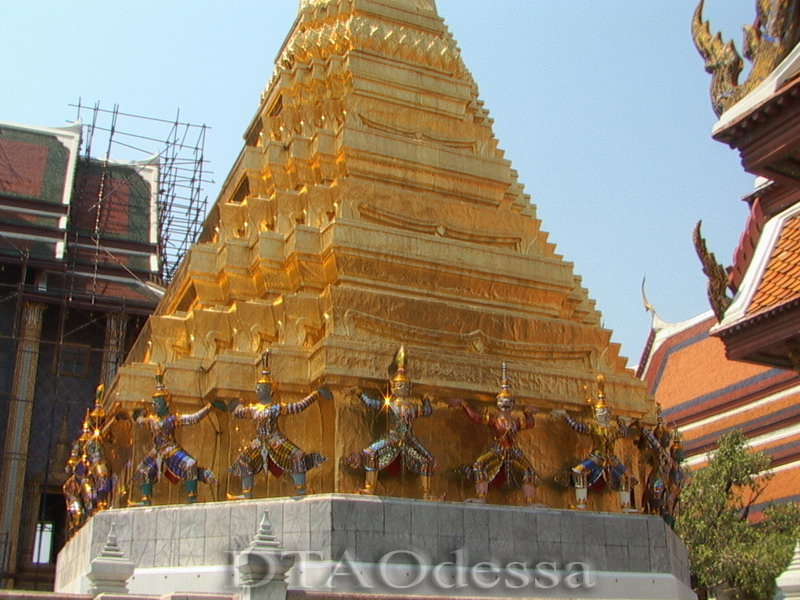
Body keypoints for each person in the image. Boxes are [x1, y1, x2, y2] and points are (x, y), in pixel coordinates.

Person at [228, 351, 330, 498]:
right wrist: (235, 404)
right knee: (243, 460)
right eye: (258, 388)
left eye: (263, 388)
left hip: (275, 439)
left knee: (298, 455)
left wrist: (315, 394)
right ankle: (246, 493)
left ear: (271, 391)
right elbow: (238, 412)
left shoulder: (276, 407)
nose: (259, 390)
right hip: (258, 442)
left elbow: (298, 407)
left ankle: (301, 490)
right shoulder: (253, 409)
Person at [344, 346, 439, 499]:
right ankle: (369, 488)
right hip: (392, 438)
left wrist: (426, 400)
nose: (402, 388)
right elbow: (373, 404)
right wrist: (360, 394)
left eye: (405, 386)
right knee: (370, 453)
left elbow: (427, 412)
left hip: (409, 439)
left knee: (426, 460)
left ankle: (427, 493)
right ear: (393, 387)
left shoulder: (412, 407)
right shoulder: (391, 404)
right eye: (399, 385)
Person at [449, 362, 539, 503]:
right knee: (479, 465)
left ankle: (529, 500)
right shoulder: (496, 421)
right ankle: (481, 497)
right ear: (498, 404)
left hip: (513, 451)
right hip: (497, 450)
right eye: (502, 402)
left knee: (529, 471)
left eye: (508, 402)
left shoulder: (515, 422)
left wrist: (528, 412)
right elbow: (477, 418)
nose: (505, 405)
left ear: (513, 404)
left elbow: (530, 424)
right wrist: (464, 404)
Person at [132, 366, 216, 505]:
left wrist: (208, 408)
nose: (155, 405)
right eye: (154, 402)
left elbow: (193, 418)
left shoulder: (172, 419)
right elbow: (140, 422)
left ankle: (192, 496)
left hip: (171, 450)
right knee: (143, 470)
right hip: (157, 451)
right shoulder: (151, 420)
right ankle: (145, 499)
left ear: (166, 402)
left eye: (158, 402)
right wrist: (139, 415)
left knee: (190, 465)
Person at [553, 374, 634, 511]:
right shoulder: (594, 429)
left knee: (627, 476)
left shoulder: (613, 430)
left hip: (612, 459)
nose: (603, 414)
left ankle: (625, 506)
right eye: (600, 412)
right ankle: (581, 503)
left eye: (605, 412)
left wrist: (622, 422)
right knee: (579, 472)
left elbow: (624, 433)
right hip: (596, 458)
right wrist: (566, 416)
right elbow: (578, 427)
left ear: (609, 413)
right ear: (596, 414)